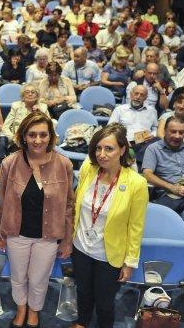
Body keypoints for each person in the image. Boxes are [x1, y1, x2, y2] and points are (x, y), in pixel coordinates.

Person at [0, 112, 74, 327]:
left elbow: (68, 205)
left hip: (47, 237)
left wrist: (67, 240)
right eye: (32, 135)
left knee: (39, 280)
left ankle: (34, 311)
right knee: (18, 277)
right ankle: (21, 310)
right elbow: (2, 201)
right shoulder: (10, 163)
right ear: (23, 137)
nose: (37, 140)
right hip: (16, 233)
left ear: (51, 137)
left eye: (43, 135)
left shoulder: (64, 164)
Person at [71, 123, 148, 328]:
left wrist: (130, 262)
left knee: (105, 303)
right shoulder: (89, 169)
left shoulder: (136, 183)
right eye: (98, 148)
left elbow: (136, 227)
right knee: (83, 293)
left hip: (108, 254)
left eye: (109, 148)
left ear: (122, 150)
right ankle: (82, 323)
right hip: (80, 247)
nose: (102, 154)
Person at [108, 85, 158, 162]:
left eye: (142, 95)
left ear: (146, 98)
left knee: (158, 141)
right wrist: (122, 140)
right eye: (136, 93)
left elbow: (155, 128)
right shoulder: (119, 110)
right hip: (125, 143)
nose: (138, 97)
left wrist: (153, 135)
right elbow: (110, 128)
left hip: (145, 144)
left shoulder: (152, 111)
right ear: (131, 94)